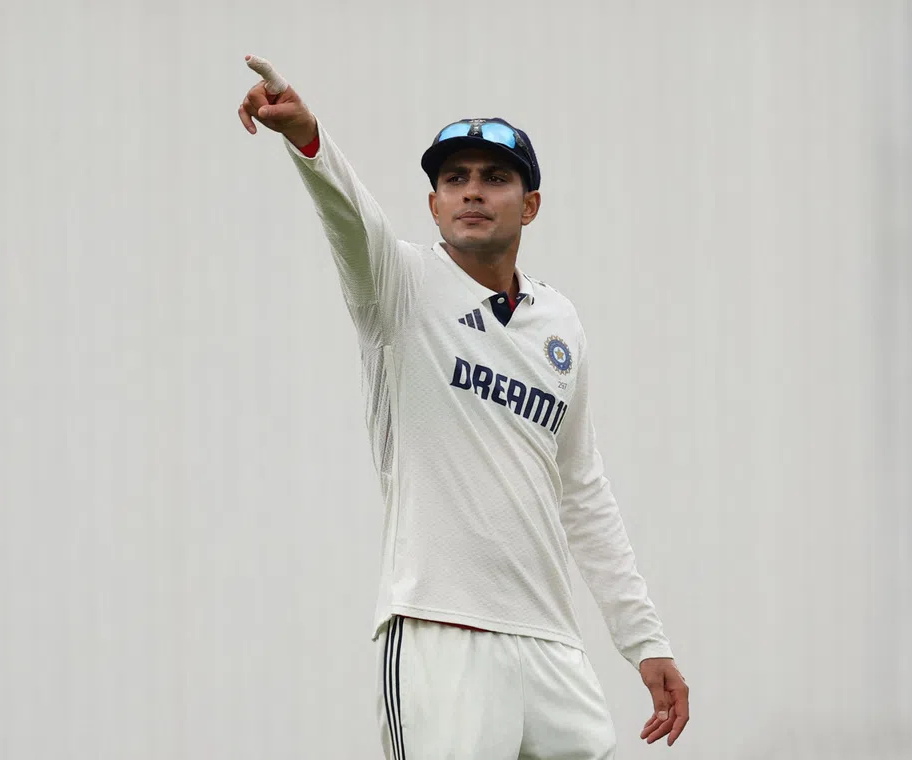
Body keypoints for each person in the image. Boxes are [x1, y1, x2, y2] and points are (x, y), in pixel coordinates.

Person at [237, 54, 690, 759]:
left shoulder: (559, 323)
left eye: (495, 178)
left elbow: (584, 494)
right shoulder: (400, 286)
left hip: (550, 646)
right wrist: (308, 139)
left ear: (530, 204)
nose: (472, 192)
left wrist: (644, 640)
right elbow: (348, 219)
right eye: (455, 179)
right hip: (440, 637)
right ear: (434, 203)